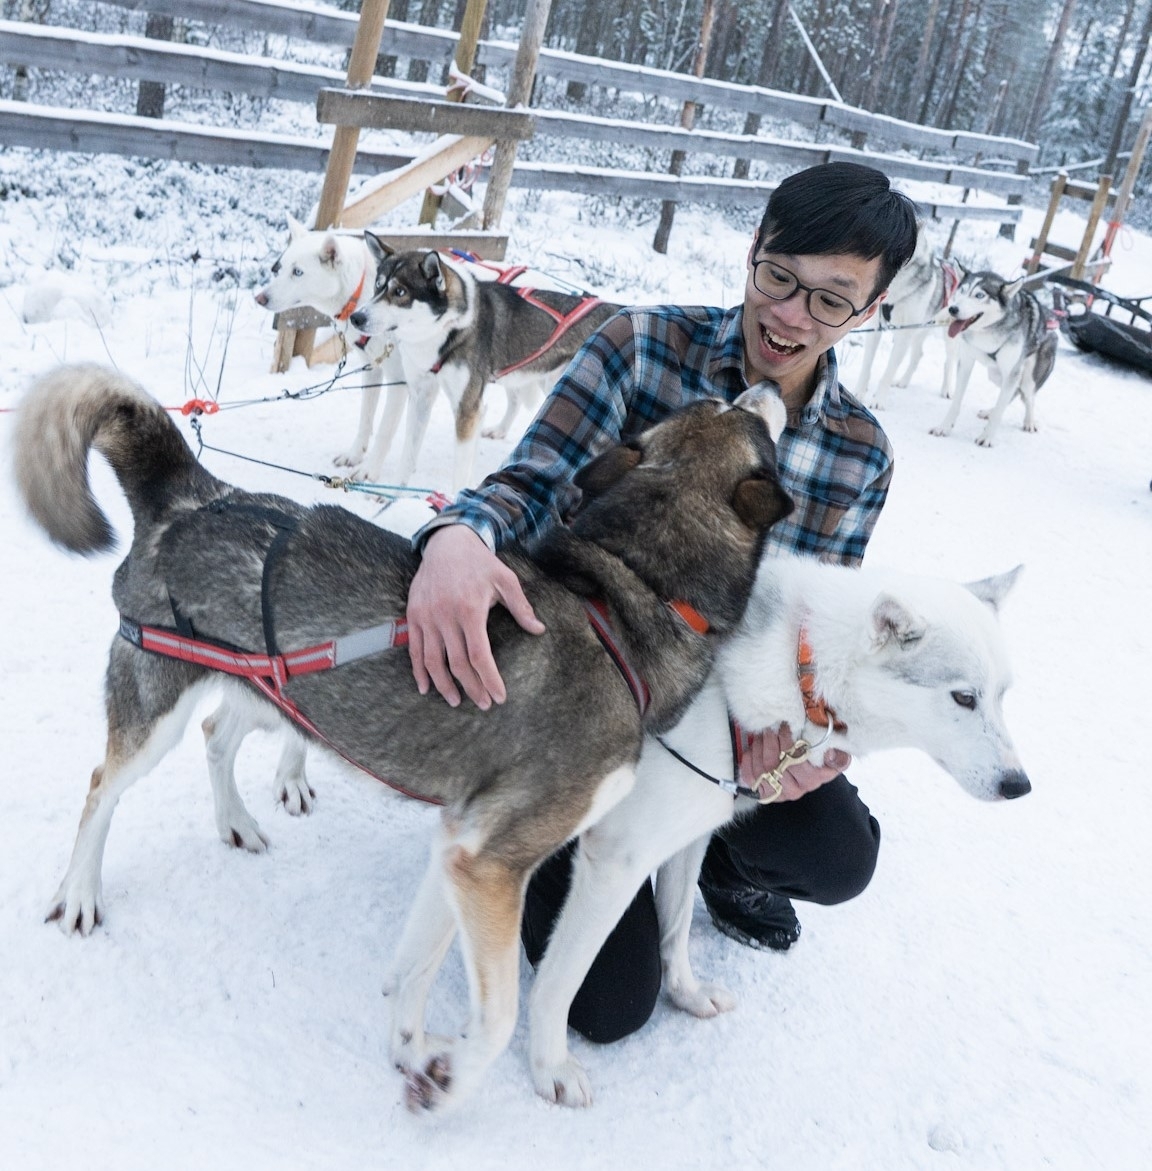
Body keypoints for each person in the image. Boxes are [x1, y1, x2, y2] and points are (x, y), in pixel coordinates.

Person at [404, 161, 919, 1043]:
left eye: (832, 300)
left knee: (836, 855)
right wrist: (459, 534)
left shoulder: (858, 453)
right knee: (610, 1008)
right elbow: (531, 482)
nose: (792, 313)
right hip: (588, 694)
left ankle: (713, 855)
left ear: (870, 312)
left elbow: (813, 622)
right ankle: (535, 821)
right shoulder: (641, 346)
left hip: (716, 713)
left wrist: (804, 731)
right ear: (753, 252)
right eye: (780, 276)